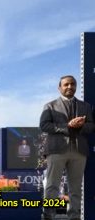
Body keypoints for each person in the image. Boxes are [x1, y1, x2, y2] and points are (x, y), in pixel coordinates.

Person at [40, 75, 94, 220]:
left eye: (72, 84)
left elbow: (91, 126)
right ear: (60, 87)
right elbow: (44, 126)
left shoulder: (86, 106)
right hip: (56, 150)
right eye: (66, 85)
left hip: (79, 151)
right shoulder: (50, 106)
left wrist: (81, 125)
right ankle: (48, 216)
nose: (70, 87)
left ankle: (74, 217)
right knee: (52, 186)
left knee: (75, 188)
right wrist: (67, 126)